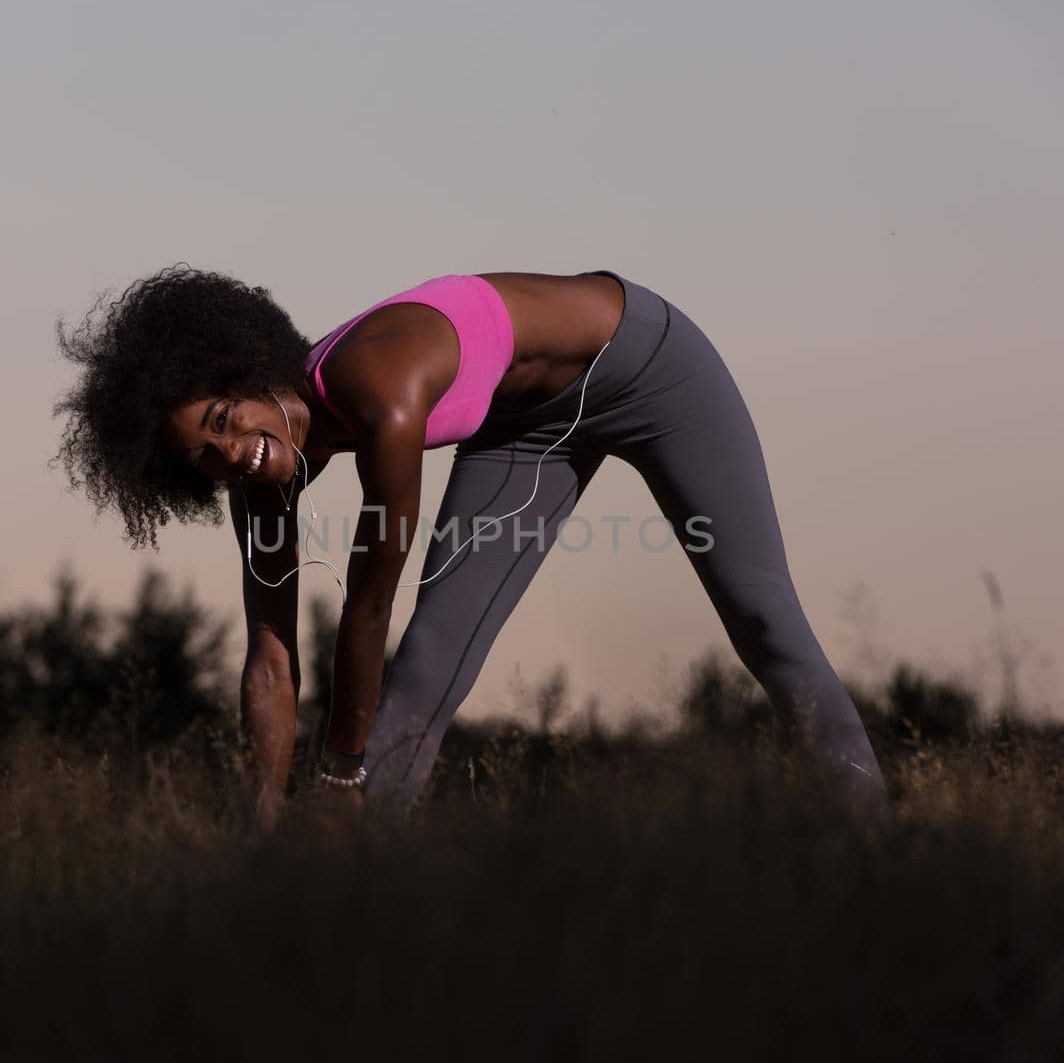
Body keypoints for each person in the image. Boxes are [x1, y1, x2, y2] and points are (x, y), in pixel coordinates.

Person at [53, 264, 887, 827]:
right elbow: (271, 662)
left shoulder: (379, 386)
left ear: (253, 379)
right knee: (424, 674)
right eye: (204, 457)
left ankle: (877, 846)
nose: (230, 454)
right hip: (528, 430)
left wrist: (338, 771)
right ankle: (341, 905)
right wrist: (263, 822)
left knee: (763, 618)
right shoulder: (260, 483)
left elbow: (369, 598)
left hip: (647, 365)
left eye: (226, 423)